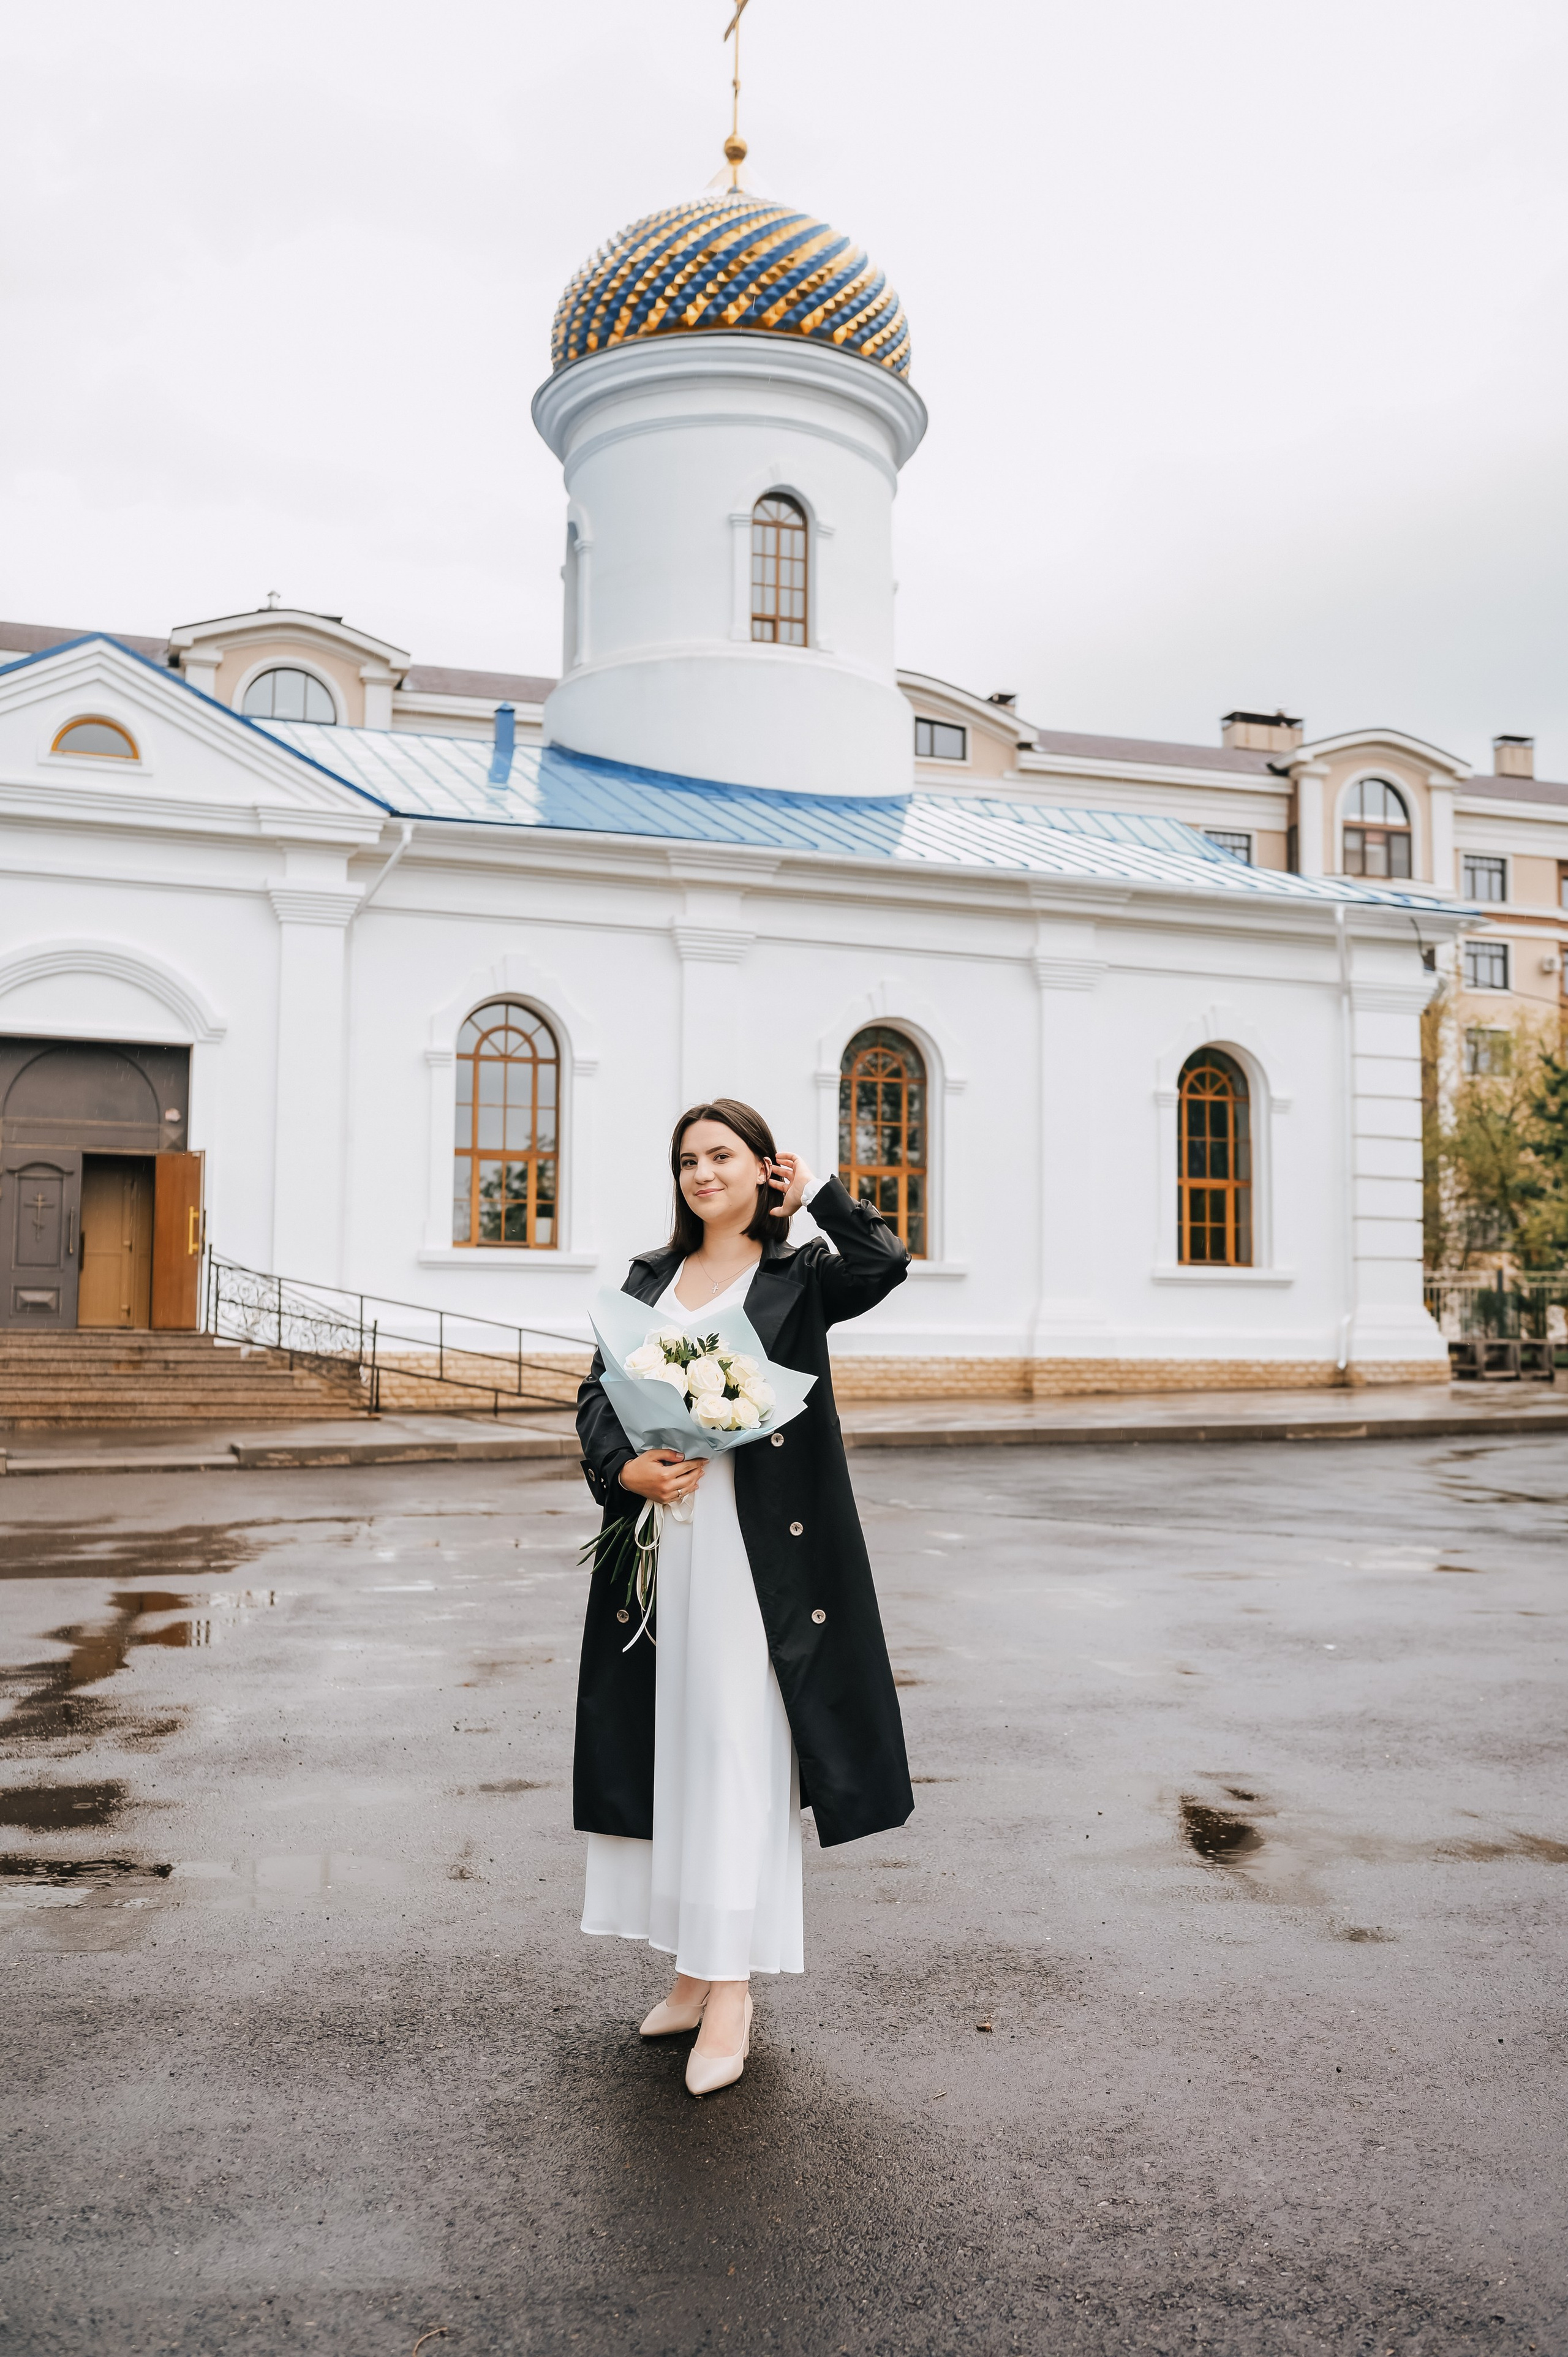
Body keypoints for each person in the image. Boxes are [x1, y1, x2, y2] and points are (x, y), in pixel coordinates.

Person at [574, 1097, 914, 2095]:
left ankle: (732, 1992)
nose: (702, 1173)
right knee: (673, 1748)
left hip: (758, 1555)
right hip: (662, 1545)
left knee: (733, 1746)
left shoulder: (800, 1274)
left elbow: (885, 1265)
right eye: (687, 1159)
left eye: (722, 1155)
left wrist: (817, 1201)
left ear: (762, 1168)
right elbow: (598, 1393)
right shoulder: (649, 1278)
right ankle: (690, 1967)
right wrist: (621, 1470)